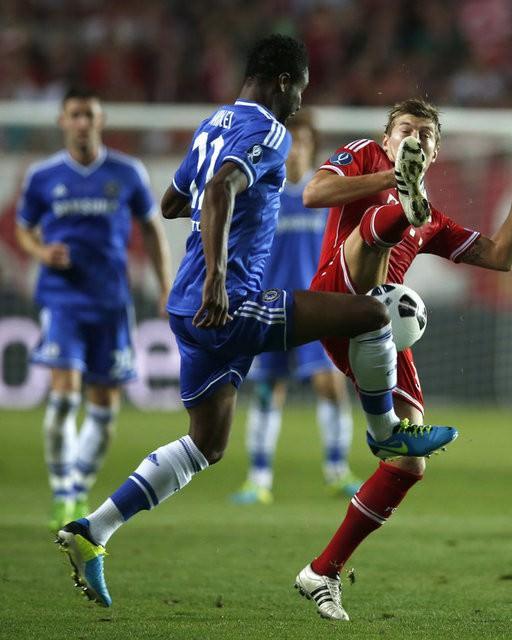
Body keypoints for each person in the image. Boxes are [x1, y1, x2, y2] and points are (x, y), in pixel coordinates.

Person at [54, 36, 457, 609]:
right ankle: (386, 431)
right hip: (228, 302)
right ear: (284, 82)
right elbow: (221, 187)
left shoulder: (214, 123)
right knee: (372, 313)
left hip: (186, 305)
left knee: (206, 444)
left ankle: (92, 530)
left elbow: (173, 202)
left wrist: (214, 245)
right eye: (302, 90)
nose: (300, 103)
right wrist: (219, 279)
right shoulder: (270, 131)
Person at [293, 98, 512, 620]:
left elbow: (503, 257)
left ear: (436, 152)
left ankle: (322, 571)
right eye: (405, 129)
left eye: (426, 134)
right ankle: (396, 209)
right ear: (387, 140)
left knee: (409, 462)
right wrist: (391, 179)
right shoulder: (364, 155)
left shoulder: (432, 222)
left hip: (378, 330)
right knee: (372, 239)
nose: (415, 137)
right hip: (336, 296)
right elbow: (313, 193)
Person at [15, 88, 172, 532]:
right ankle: (62, 494)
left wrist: (165, 286)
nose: (83, 122)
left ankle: (78, 487)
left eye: (90, 114)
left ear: (100, 121)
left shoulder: (127, 172)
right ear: (63, 121)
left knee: (104, 408)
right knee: (64, 396)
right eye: (75, 115)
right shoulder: (43, 176)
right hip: (62, 299)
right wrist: (40, 252)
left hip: (111, 302)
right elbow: (24, 228)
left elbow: (152, 229)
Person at [231, 109, 360, 505]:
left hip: (316, 307)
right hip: (268, 308)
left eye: (302, 142)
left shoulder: (324, 195)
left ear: (312, 147)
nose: (295, 150)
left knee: (330, 385)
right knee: (268, 390)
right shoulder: (261, 194)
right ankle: (258, 479)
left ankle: (337, 471)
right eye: (289, 143)